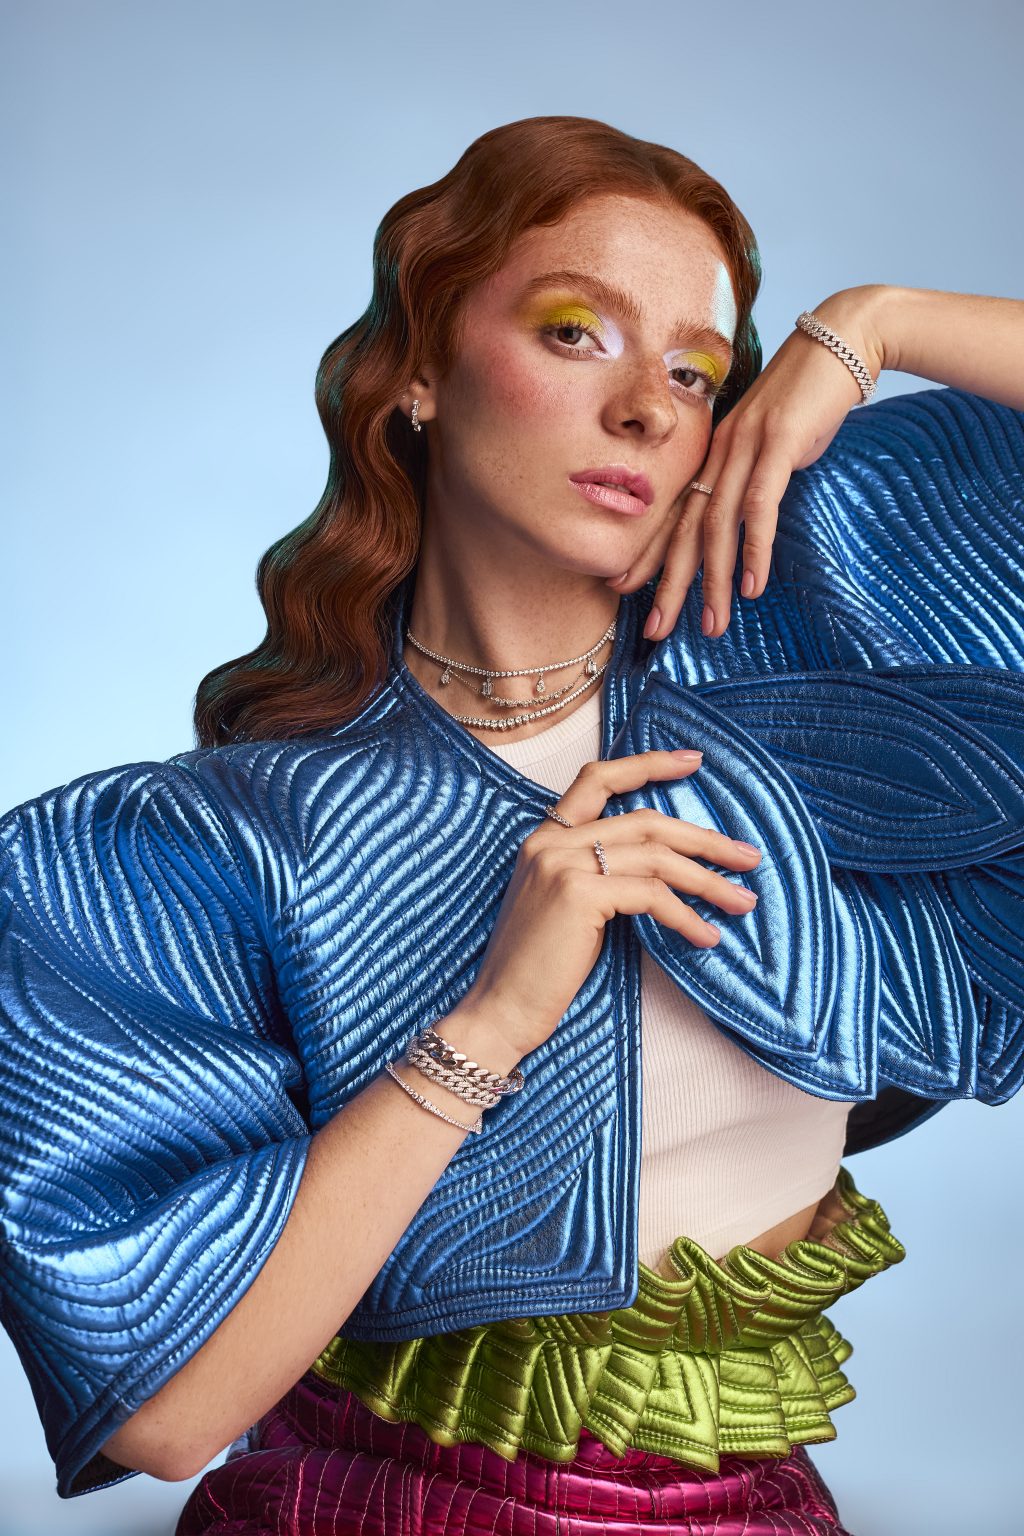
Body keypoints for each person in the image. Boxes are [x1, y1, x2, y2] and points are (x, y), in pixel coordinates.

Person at [1, 115, 1022, 1536]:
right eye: (573, 332)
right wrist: (495, 1018)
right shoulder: (195, 848)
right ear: (419, 370)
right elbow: (163, 1415)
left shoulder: (812, 656)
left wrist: (872, 326)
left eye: (694, 370)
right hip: (372, 1509)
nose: (648, 407)